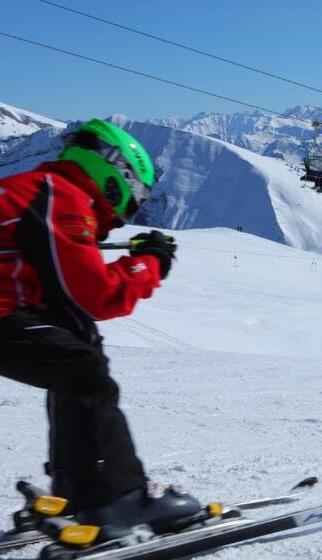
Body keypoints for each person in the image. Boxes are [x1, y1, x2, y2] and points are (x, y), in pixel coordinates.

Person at [0, 120, 201, 537]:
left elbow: (61, 292)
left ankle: (78, 487)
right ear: (117, 174)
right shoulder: (60, 196)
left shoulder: (35, 189)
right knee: (82, 369)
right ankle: (115, 499)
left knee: (72, 354)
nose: (133, 207)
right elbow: (95, 296)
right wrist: (151, 263)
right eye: (137, 195)